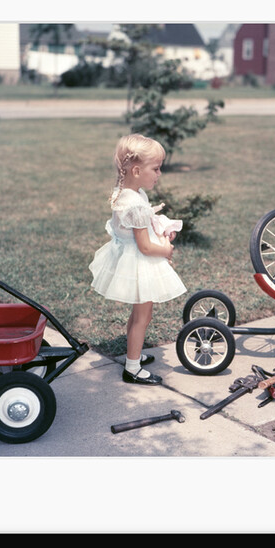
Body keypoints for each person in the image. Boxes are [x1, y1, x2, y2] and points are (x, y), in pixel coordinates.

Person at [89, 134, 187, 385]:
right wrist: (165, 250)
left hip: (130, 258)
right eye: (156, 168)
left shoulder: (128, 194)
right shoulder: (135, 203)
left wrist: (162, 228)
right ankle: (132, 368)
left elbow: (140, 227)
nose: (159, 174)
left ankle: (133, 354)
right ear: (136, 170)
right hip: (139, 264)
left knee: (138, 314)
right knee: (143, 317)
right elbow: (144, 246)